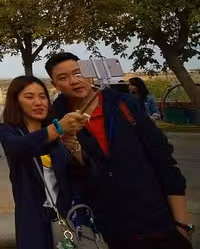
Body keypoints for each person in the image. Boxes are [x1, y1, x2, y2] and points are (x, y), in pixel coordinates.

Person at [48, 52, 193, 248]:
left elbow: (164, 160)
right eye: (63, 78)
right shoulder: (56, 121)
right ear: (54, 85)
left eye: (78, 73)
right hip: (110, 227)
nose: (74, 81)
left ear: (90, 72)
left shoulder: (124, 104)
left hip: (156, 219)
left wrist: (182, 224)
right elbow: (72, 177)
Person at [0, 76, 89, 249]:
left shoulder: (58, 132)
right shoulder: (10, 131)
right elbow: (18, 147)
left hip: (66, 215)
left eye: (42, 96)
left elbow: (82, 175)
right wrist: (58, 128)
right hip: (33, 217)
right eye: (29, 97)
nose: (38, 102)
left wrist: (75, 148)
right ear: (16, 101)